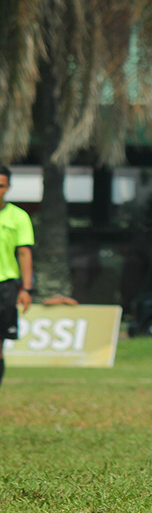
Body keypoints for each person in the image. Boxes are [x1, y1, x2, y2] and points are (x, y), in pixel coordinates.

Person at [0, 165, 35, 389]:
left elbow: (24, 254)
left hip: (5, 286)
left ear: (8, 187)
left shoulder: (19, 217)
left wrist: (27, 289)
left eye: (1, 185)